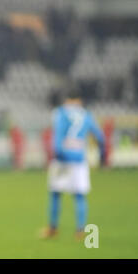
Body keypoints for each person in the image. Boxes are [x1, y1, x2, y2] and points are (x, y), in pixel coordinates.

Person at [40, 86, 105, 240]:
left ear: (66, 99)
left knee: (55, 193)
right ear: (80, 100)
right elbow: (100, 136)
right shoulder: (86, 114)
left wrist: (56, 152)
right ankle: (81, 231)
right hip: (78, 160)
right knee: (80, 195)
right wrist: (102, 156)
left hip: (62, 158)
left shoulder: (60, 112)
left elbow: (58, 134)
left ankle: (53, 228)